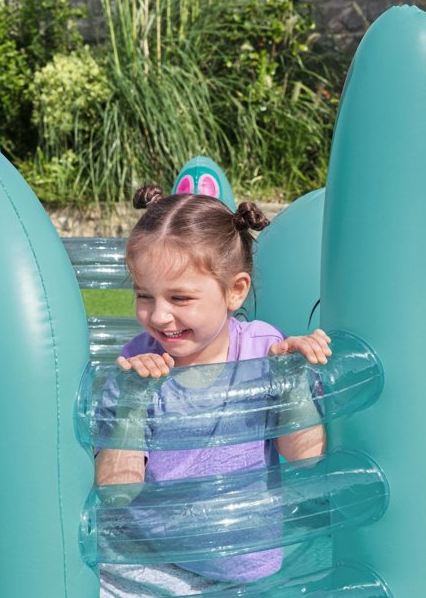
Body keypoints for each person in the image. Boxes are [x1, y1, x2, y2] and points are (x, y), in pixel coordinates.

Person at [95, 183, 330, 585]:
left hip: (238, 562)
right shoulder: (138, 365)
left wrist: (291, 383)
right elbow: (116, 492)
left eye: (179, 298)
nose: (159, 316)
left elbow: (306, 457)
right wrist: (132, 401)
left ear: (235, 291)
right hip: (145, 558)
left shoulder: (262, 351)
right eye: (144, 296)